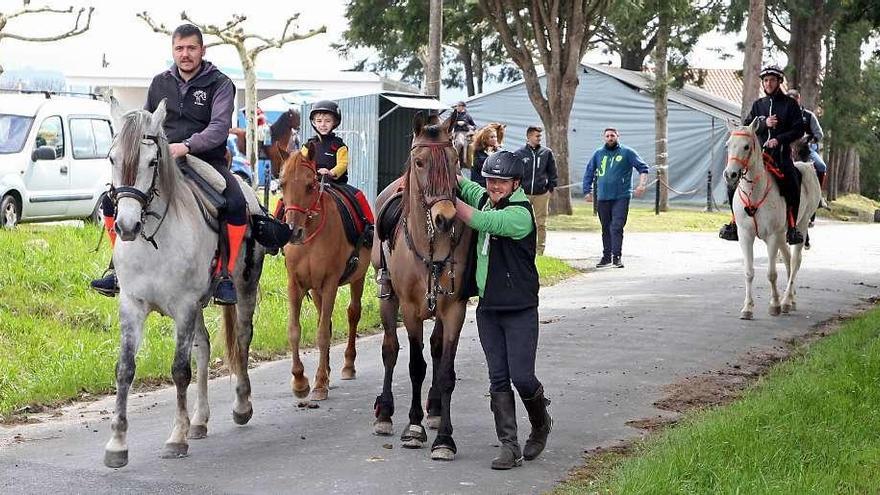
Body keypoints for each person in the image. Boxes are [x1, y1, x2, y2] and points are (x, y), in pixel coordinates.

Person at [90, 23, 248, 305]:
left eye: (191, 48)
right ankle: (117, 270)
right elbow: (147, 123)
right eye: (179, 48)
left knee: (235, 202)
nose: (185, 54)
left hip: (205, 160)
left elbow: (220, 127)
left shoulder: (221, 84)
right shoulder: (159, 82)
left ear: (203, 50)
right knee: (111, 201)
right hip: (160, 161)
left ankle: (225, 273)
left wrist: (187, 146)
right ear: (173, 51)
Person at [454, 150, 552, 470]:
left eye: (501, 182)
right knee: (497, 377)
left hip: (519, 309)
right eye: (490, 180)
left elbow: (482, 221)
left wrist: (445, 201)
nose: (493, 187)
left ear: (516, 183)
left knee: (522, 377)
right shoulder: (486, 197)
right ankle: (509, 446)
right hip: (488, 308)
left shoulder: (520, 214)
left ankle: (540, 423)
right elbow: (469, 189)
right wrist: (442, 176)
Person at [719, 64, 805, 245]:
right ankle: (735, 224)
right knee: (731, 181)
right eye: (765, 80)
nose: (768, 83)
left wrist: (779, 139)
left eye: (772, 80)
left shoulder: (790, 105)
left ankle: (792, 228)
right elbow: (746, 126)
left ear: (779, 82)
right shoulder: (759, 105)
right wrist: (764, 123)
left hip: (780, 156)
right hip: (756, 157)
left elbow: (799, 130)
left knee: (793, 180)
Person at [581, 128, 648, 268]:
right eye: (607, 136)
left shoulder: (627, 152)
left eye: (612, 135)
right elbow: (589, 171)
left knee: (616, 226)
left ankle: (617, 256)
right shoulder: (598, 153)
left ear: (618, 136)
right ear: (604, 138)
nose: (610, 138)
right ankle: (606, 256)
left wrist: (641, 185)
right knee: (605, 227)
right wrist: (587, 191)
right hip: (603, 196)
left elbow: (643, 168)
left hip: (621, 196)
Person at [514, 126, 558, 255]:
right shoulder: (519, 154)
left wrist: (550, 188)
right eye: (537, 136)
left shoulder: (547, 153)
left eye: (540, 136)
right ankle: (521, 249)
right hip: (523, 194)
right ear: (529, 137)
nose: (539, 138)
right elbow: (515, 173)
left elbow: (552, 172)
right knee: (521, 222)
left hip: (541, 194)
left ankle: (540, 251)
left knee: (541, 223)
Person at [787, 88, 826, 227]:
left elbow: (819, 133)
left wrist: (809, 139)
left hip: (806, 150)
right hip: (787, 149)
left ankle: (818, 198)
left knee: (821, 166)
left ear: (799, 99)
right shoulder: (782, 115)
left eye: (794, 99)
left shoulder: (808, 116)